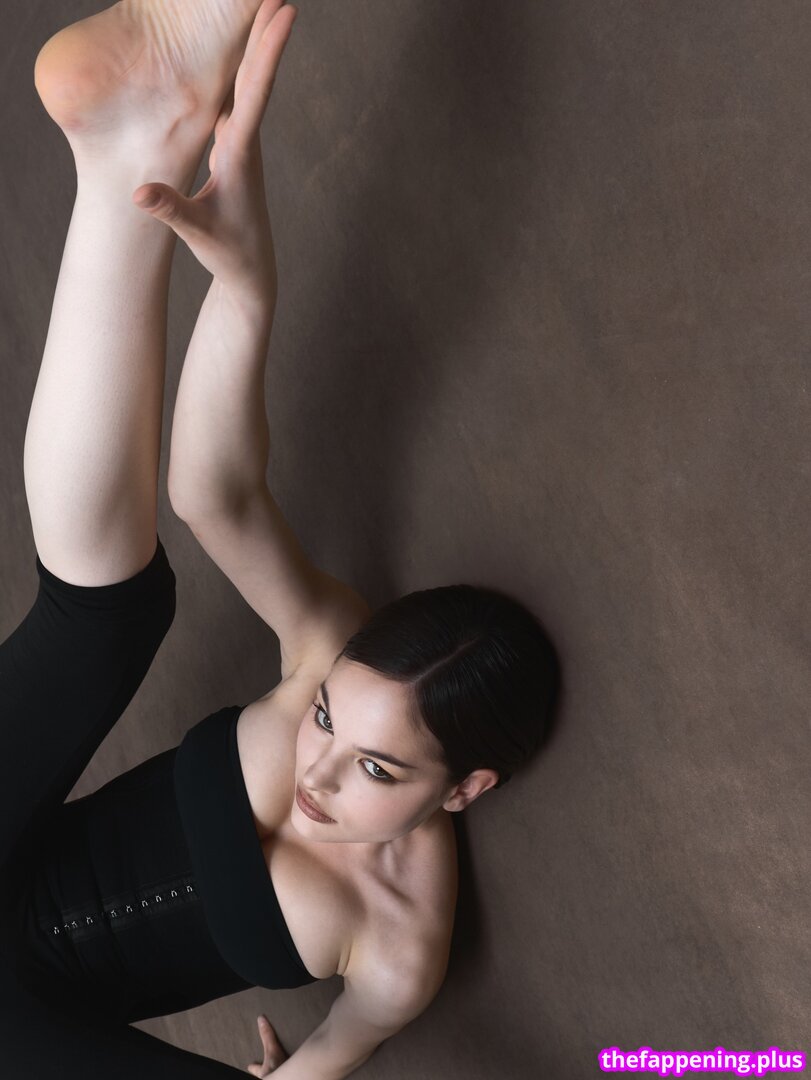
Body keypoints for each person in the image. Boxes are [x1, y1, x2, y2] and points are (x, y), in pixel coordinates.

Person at [0, 0, 560, 1076]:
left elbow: (326, 1062)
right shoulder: (328, 643)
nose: (319, 772)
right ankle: (134, 149)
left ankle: (138, 135)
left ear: (463, 789)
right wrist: (245, 284)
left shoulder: (399, 954)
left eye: (377, 768)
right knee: (104, 621)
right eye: (325, 716)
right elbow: (213, 492)